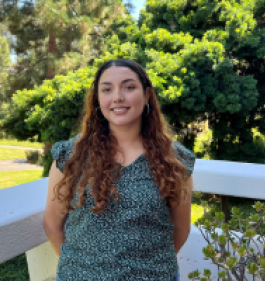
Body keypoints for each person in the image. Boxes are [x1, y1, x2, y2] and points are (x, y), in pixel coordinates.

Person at [43, 59, 196, 281]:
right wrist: (82, 269)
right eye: (107, 89)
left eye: (129, 87)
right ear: (97, 99)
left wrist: (149, 270)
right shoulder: (71, 155)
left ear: (147, 95)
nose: (117, 97)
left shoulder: (174, 159)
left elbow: (181, 228)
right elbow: (52, 224)